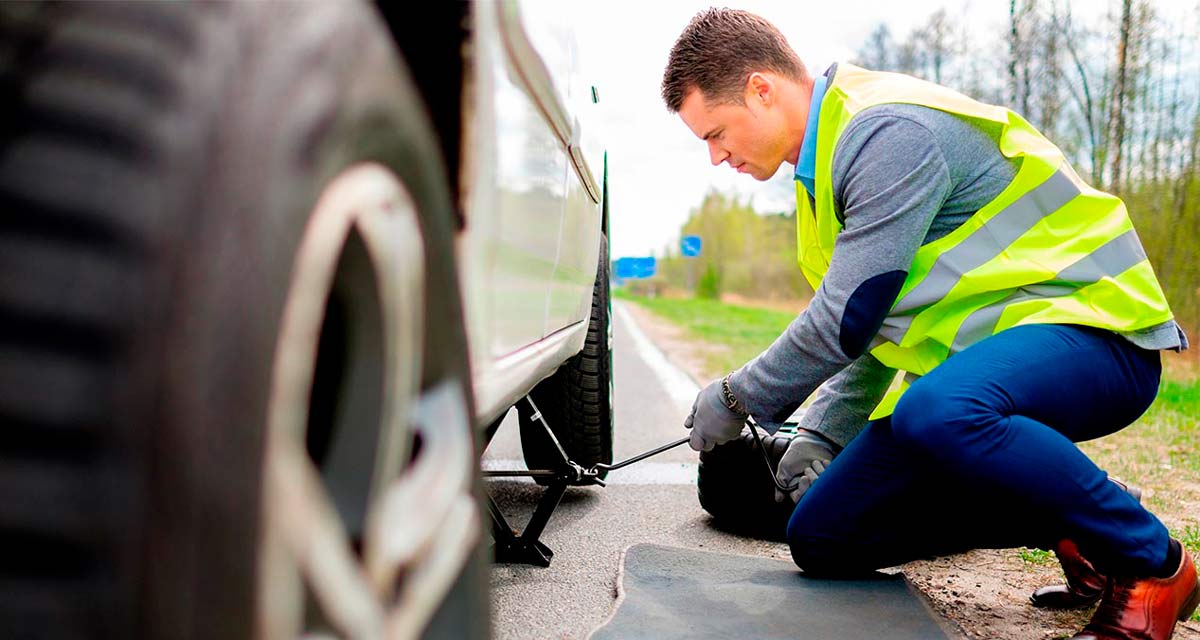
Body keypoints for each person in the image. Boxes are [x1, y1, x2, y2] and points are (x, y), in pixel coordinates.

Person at [664, 8, 1198, 640]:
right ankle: (1079, 517)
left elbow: (847, 313)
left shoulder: (884, 132)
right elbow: (874, 330)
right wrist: (821, 433)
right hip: (990, 377)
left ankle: (1153, 564)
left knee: (933, 412)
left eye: (716, 133)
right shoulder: (819, 180)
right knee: (822, 534)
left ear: (761, 89)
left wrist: (737, 396)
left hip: (1099, 339)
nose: (716, 157)